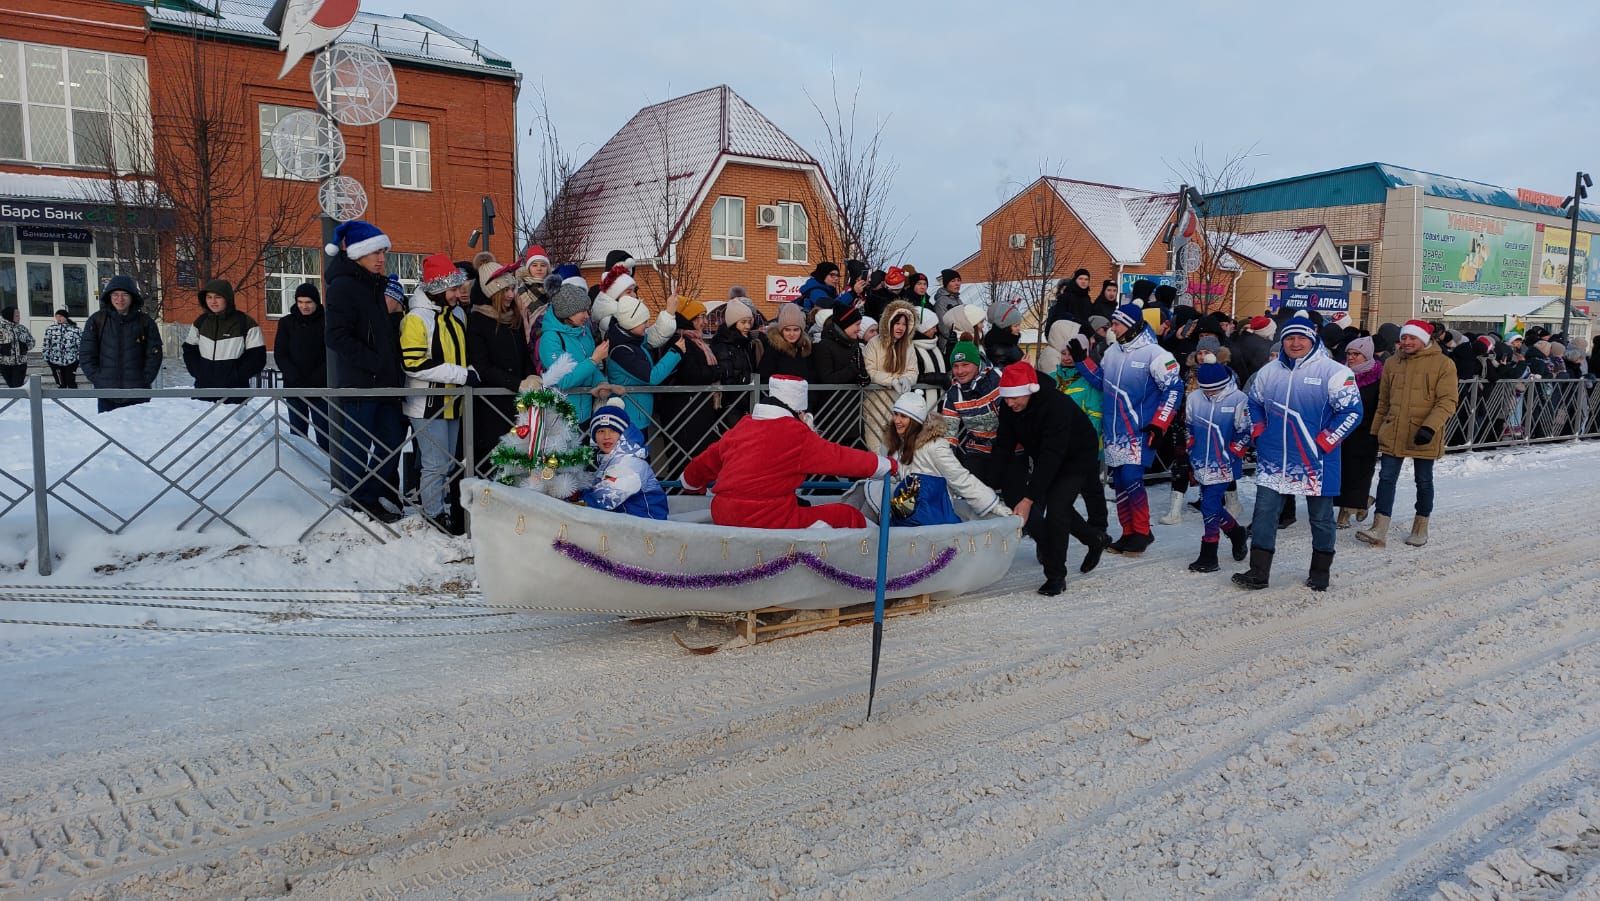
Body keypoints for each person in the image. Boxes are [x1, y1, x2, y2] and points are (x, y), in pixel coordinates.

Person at [1233, 312, 1363, 591]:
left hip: (1314, 458)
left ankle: (1320, 572)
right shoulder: (1269, 372)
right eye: (1289, 338)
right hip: (1274, 457)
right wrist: (1258, 429)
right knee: (1264, 513)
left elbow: (1352, 412)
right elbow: (1253, 403)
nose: (1294, 343)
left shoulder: (1334, 372)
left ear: (1312, 339)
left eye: (1301, 337)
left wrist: (1326, 441)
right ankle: (1258, 572)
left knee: (1320, 517)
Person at [681, 374, 896, 529]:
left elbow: (707, 460)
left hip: (723, 512)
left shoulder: (744, 425)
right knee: (846, 515)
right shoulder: (795, 434)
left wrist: (692, 484)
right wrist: (887, 465)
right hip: (766, 518)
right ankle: (864, 573)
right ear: (800, 411)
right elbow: (840, 458)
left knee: (801, 504)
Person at [991, 361, 1109, 594]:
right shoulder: (1008, 407)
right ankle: (1095, 539)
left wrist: (1028, 499)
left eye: (1015, 397)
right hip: (1048, 455)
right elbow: (1003, 445)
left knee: (1057, 509)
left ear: (1030, 390)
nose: (1009, 403)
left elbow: (1052, 456)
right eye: (1006, 398)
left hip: (1077, 456)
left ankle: (1056, 576)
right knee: (1059, 507)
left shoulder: (1056, 405)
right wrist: (992, 482)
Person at [1074, 303, 1181, 555]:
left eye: (1117, 324)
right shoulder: (1112, 352)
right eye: (1113, 323)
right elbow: (1102, 382)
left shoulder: (1156, 354)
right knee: (1120, 482)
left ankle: (1142, 532)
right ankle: (1128, 532)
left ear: (1131, 325)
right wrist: (1082, 361)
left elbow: (1174, 389)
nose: (1113, 328)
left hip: (1141, 430)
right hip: (1114, 431)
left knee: (1132, 478)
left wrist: (1159, 423)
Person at [323, 220, 407, 523]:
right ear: (358, 254)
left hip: (386, 380)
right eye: (375, 253)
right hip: (361, 381)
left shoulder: (378, 284)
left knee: (393, 437)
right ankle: (359, 498)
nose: (381, 259)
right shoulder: (344, 287)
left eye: (383, 253)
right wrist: (372, 361)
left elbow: (384, 330)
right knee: (357, 442)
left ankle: (376, 491)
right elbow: (336, 336)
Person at [1356, 319, 1459, 549]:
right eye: (1404, 337)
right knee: (1387, 477)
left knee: (1423, 480)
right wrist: (1376, 431)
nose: (1407, 342)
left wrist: (1430, 427)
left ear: (1424, 339)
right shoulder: (1392, 363)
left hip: (1424, 432)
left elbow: (1448, 400)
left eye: (1412, 338)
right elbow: (1383, 401)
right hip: (1394, 429)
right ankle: (1379, 527)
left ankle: (1420, 526)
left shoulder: (1443, 364)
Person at [400, 256, 479, 531]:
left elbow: (462, 355)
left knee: (448, 463)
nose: (459, 294)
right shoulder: (416, 318)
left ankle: (440, 508)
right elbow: (414, 363)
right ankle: (433, 515)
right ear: (437, 288)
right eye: (453, 289)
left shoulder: (456, 315)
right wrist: (461, 375)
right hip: (426, 403)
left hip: (453, 401)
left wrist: (468, 370)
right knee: (435, 464)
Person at [869, 391, 1010, 526]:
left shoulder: (934, 446)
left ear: (915, 421)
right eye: (895, 414)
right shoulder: (894, 444)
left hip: (932, 514)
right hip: (903, 511)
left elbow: (960, 478)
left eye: (903, 416)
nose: (897, 421)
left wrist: (993, 505)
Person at [1183, 363, 1252, 572]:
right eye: (1206, 389)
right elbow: (1188, 426)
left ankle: (1209, 555)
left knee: (1209, 505)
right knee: (1210, 504)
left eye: (1214, 389)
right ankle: (1236, 533)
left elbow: (1246, 431)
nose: (1210, 393)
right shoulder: (1195, 397)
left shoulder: (1239, 398)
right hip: (1200, 461)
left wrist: (1232, 453)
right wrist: (1190, 448)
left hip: (1224, 462)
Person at [79, 275, 163, 412]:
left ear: (132, 297)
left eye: (125, 295)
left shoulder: (145, 322)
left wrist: (144, 379)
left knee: (140, 433)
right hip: (107, 394)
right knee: (108, 432)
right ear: (109, 297)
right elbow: (86, 353)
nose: (120, 299)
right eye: (115, 295)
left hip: (138, 394)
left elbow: (154, 354)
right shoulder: (97, 320)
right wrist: (98, 379)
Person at [605, 293, 682, 435]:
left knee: (641, 456)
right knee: (634, 456)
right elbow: (651, 377)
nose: (647, 325)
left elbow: (656, 335)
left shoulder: (634, 342)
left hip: (637, 414)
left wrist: (670, 312)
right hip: (629, 417)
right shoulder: (622, 351)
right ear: (631, 323)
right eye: (643, 322)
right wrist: (676, 352)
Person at [581, 398, 669, 520]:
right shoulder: (610, 459)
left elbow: (607, 496)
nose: (606, 436)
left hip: (647, 529)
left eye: (613, 430)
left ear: (623, 434)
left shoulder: (631, 463)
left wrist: (576, 504)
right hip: (627, 524)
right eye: (601, 431)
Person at [182, 279, 266, 402]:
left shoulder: (245, 323)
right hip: (204, 391)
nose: (213, 301)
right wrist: (199, 372)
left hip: (235, 393)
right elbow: (189, 350)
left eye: (218, 297)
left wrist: (236, 376)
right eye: (209, 297)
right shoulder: (200, 322)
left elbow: (257, 357)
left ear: (227, 298)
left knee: (232, 422)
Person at [538, 281, 607, 425]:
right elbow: (563, 381)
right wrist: (594, 360)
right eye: (582, 311)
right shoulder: (551, 338)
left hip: (586, 415)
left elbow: (591, 370)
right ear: (566, 312)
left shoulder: (584, 331)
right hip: (561, 419)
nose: (587, 315)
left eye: (587, 310)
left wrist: (601, 383)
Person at [273, 283, 329, 449]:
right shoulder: (286, 323)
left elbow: (332, 354)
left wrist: (319, 376)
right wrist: (292, 374)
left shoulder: (327, 322)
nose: (304, 306)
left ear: (316, 302)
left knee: (326, 435)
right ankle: (300, 472)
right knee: (298, 435)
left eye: (308, 302)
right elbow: (280, 353)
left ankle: (329, 469)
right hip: (295, 386)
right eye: (300, 302)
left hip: (321, 388)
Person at [1336, 336, 1383, 528]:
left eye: (1357, 354)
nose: (1352, 357)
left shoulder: (1378, 377)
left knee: (1359, 472)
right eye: (1349, 353)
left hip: (1366, 432)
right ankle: (1362, 502)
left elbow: (1381, 405)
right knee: (1342, 471)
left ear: (1367, 356)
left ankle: (1345, 513)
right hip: (1341, 430)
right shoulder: (1339, 373)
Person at [941, 341, 1003, 481]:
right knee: (974, 493)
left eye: (965, 364)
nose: (960, 371)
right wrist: (946, 463)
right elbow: (949, 432)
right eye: (956, 366)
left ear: (976, 363)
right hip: (977, 449)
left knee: (1012, 496)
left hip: (1008, 448)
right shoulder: (953, 394)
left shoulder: (997, 379)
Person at [811, 301, 869, 446]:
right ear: (845, 324)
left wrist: (864, 377)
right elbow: (827, 378)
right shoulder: (824, 346)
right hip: (832, 415)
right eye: (856, 324)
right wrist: (853, 370)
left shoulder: (854, 344)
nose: (859, 329)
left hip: (853, 412)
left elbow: (861, 370)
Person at [864, 300, 919, 451]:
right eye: (897, 323)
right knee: (877, 448)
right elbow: (870, 370)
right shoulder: (874, 343)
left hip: (900, 405)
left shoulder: (908, 345)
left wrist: (908, 379)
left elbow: (913, 370)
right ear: (888, 323)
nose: (901, 328)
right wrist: (891, 380)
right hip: (877, 404)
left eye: (904, 324)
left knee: (899, 449)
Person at [710, 297, 761, 425]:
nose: (747, 326)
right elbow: (726, 373)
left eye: (749, 322)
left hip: (744, 401)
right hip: (730, 404)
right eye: (743, 322)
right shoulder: (722, 344)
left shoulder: (746, 343)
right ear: (733, 323)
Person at [759, 302, 813, 381]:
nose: (792, 334)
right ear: (781, 330)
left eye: (796, 330)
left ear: (801, 330)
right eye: (787, 330)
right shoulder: (772, 349)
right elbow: (763, 378)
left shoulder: (805, 349)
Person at [909, 306, 949, 409]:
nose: (936, 330)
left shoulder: (934, 346)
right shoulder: (912, 349)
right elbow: (913, 375)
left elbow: (945, 367)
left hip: (939, 400)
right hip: (922, 402)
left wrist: (950, 349)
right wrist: (937, 378)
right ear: (923, 328)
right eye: (933, 327)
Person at [41, 310, 81, 388]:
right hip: (55, 361)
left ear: (65, 317)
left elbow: (80, 345)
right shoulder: (50, 329)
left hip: (71, 361)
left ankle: (74, 398)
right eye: (57, 316)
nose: (59, 318)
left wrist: (78, 358)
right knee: (60, 383)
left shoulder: (75, 329)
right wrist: (47, 358)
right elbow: (46, 344)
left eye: (61, 316)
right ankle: (61, 399)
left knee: (70, 381)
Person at [1231, 315, 1275, 385]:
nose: (1274, 333)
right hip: (1253, 383)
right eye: (1273, 331)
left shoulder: (1243, 338)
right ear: (1266, 332)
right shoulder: (1262, 346)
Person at [983, 299, 1025, 367]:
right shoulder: (998, 350)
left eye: (1019, 325)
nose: (1019, 328)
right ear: (1006, 327)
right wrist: (1022, 366)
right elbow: (1000, 375)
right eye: (1015, 326)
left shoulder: (1010, 342)